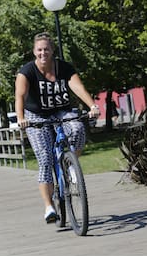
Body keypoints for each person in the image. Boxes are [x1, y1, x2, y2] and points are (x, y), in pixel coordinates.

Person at [15, 32, 100, 223]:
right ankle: (49, 207)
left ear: (52, 50)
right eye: (39, 49)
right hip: (36, 115)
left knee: (77, 128)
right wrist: (21, 118)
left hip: (62, 110)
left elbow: (77, 87)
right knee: (45, 159)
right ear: (34, 52)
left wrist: (92, 106)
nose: (43, 53)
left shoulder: (64, 68)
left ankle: (71, 164)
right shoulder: (26, 71)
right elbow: (20, 96)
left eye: (46, 49)